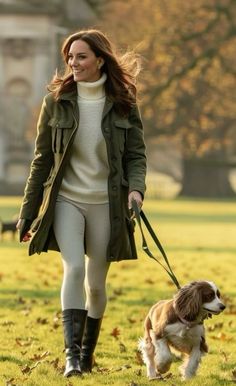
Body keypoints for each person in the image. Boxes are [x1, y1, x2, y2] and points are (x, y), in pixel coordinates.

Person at [17, 28, 146, 378]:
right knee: (73, 268)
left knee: (96, 285)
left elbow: (136, 154)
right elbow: (41, 160)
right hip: (67, 200)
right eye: (70, 57)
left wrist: (136, 189)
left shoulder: (123, 104)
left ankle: (87, 353)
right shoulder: (55, 102)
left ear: (100, 60)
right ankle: (72, 358)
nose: (73, 63)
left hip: (106, 203)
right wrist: (28, 213)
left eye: (81, 56)